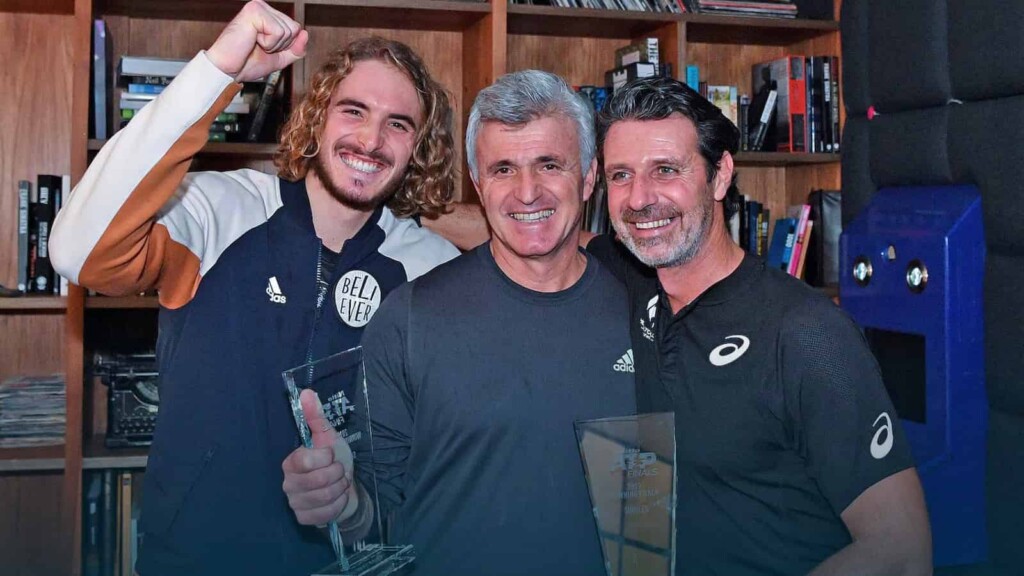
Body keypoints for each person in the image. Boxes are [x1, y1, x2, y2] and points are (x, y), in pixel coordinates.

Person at [49, 1, 460, 574]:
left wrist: (356, 506)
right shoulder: (220, 210)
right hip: (194, 558)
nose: (371, 139)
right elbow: (77, 253)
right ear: (317, 118)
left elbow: (435, 461)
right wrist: (219, 69)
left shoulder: (431, 270)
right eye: (353, 110)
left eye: (398, 124)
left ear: (417, 147)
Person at [281, 70, 636, 575]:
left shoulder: (643, 312)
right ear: (477, 182)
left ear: (589, 176)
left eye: (549, 164)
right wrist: (341, 501)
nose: (527, 192)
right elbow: (377, 517)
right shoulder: (408, 317)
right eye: (503, 169)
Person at [584, 76, 933, 575]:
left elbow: (902, 551)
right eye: (621, 175)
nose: (640, 199)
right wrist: (430, 230)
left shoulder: (805, 334)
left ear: (720, 175)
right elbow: (540, 234)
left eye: (665, 170)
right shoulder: (633, 279)